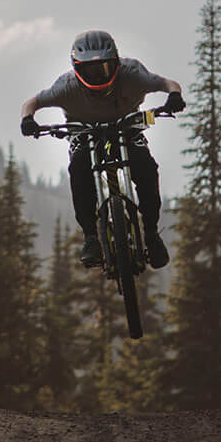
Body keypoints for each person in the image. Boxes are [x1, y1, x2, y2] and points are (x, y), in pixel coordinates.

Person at [18, 29, 183, 270]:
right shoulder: (65, 86)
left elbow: (167, 83)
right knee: (79, 169)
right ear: (76, 68)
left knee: (146, 169)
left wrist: (175, 95)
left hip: (127, 127)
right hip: (84, 133)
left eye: (103, 69)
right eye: (89, 71)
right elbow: (31, 103)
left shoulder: (133, 73)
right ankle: (91, 238)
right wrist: (27, 119)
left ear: (116, 62)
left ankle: (151, 234)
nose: (96, 76)